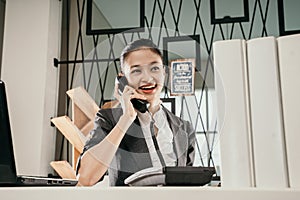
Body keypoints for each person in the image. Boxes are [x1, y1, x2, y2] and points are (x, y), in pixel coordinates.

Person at [76, 38, 196, 186]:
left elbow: (187, 185)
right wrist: (126, 118)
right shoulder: (109, 119)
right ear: (123, 79)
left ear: (164, 73)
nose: (147, 78)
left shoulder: (184, 128)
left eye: (154, 68)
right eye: (136, 70)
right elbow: (86, 178)